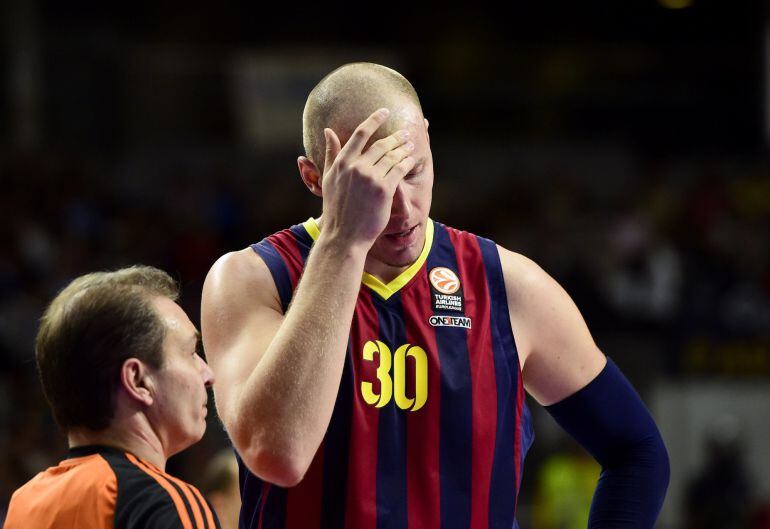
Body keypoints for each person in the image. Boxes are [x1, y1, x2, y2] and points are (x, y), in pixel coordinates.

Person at [201, 63, 670, 529]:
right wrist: (344, 242)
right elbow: (278, 452)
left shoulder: (510, 285)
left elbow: (638, 452)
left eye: (413, 171)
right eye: (372, 183)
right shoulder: (252, 279)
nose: (402, 208)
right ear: (313, 178)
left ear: (426, 139)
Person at [5, 266, 220, 529]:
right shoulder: (165, 504)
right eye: (191, 353)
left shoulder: (26, 504)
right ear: (138, 381)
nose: (208, 374)